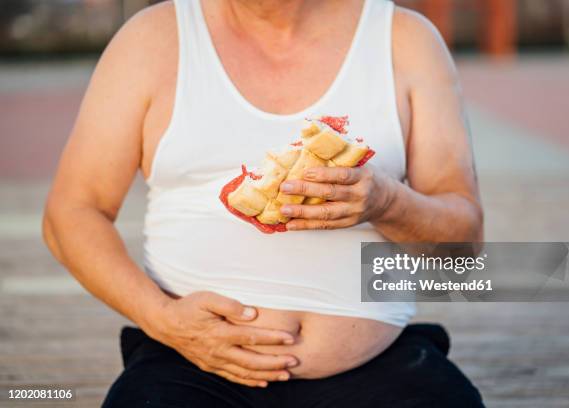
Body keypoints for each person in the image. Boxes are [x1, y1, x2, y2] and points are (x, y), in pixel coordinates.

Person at [43, 0, 484, 406]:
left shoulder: (404, 39)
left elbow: (464, 247)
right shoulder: (152, 40)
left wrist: (387, 203)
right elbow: (72, 212)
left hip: (378, 366)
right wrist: (160, 317)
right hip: (189, 363)